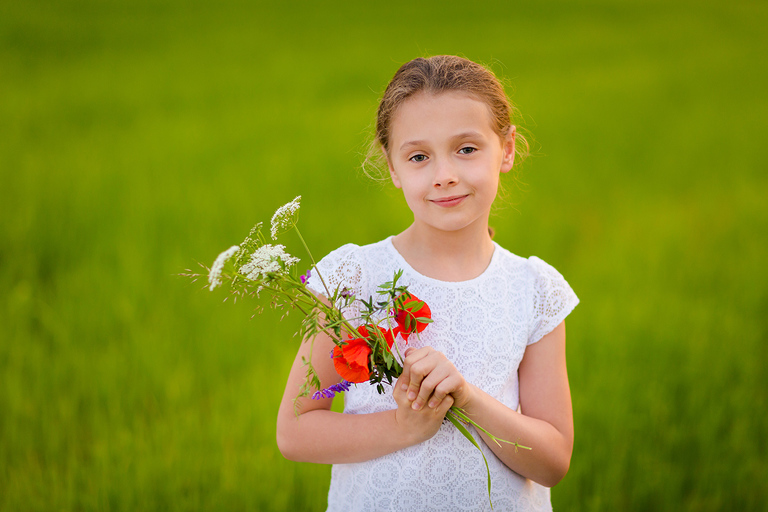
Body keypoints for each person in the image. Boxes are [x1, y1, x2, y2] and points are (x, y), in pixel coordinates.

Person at [276, 55, 579, 512]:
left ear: (507, 149)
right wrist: (403, 427)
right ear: (392, 167)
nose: (444, 176)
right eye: (419, 157)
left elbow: (553, 461)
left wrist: (468, 399)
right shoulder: (355, 278)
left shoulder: (534, 288)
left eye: (466, 149)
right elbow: (296, 430)